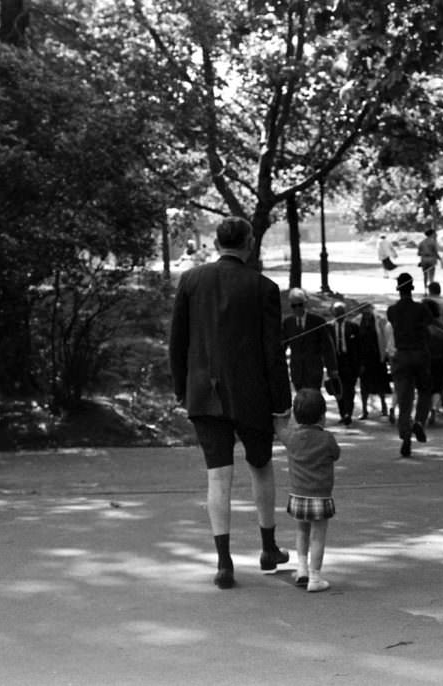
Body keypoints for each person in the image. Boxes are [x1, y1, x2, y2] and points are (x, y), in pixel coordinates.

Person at [169, 216, 292, 590]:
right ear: (249, 243)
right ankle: (268, 548)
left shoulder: (190, 282)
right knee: (261, 466)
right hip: (252, 394)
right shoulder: (264, 288)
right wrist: (281, 404)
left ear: (218, 243)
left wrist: (182, 390)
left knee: (217, 477)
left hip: (204, 394)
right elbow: (273, 352)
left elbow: (178, 342)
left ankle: (224, 563)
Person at [273, 388, 340, 593]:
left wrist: (280, 418)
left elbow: (280, 430)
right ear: (322, 416)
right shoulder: (327, 439)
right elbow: (336, 455)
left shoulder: (292, 438)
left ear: (296, 416)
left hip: (298, 495)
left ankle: (301, 569)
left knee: (302, 530)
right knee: (318, 536)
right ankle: (315, 577)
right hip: (320, 496)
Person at [386, 272, 433, 457]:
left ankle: (406, 435)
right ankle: (420, 421)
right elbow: (431, 326)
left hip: (402, 355)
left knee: (404, 398)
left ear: (398, 289)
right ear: (412, 288)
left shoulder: (392, 311)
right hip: (420, 353)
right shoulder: (421, 309)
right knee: (424, 391)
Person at [282, 288, 338, 392]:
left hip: (314, 371)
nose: (297, 308)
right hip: (297, 371)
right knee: (301, 401)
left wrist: (332, 369)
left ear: (305, 304)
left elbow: (328, 347)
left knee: (314, 400)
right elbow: (281, 347)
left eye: (300, 305)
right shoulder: (287, 323)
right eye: (294, 306)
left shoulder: (318, 321)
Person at [357, 304, 393, 420]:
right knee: (364, 386)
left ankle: (384, 407)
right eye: (364, 312)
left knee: (381, 384)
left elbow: (386, 337)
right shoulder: (357, 322)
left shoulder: (380, 321)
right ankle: (364, 410)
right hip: (364, 359)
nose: (367, 314)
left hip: (378, 358)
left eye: (368, 311)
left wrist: (387, 354)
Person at [329, 301, 360, 425]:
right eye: (337, 312)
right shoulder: (329, 327)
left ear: (345, 313)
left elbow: (359, 347)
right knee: (338, 389)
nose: (339, 315)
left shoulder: (352, 327)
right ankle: (342, 412)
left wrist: (359, 364)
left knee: (349, 389)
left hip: (349, 362)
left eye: (341, 312)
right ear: (333, 313)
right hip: (336, 361)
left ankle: (348, 413)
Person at [417, 229, 443, 294]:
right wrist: (441, 259)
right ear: (432, 234)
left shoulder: (422, 242)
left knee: (425, 275)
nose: (436, 235)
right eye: (435, 233)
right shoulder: (433, 242)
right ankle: (432, 290)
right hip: (431, 259)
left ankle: (425, 290)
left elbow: (418, 253)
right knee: (431, 276)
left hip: (424, 260)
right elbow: (436, 252)